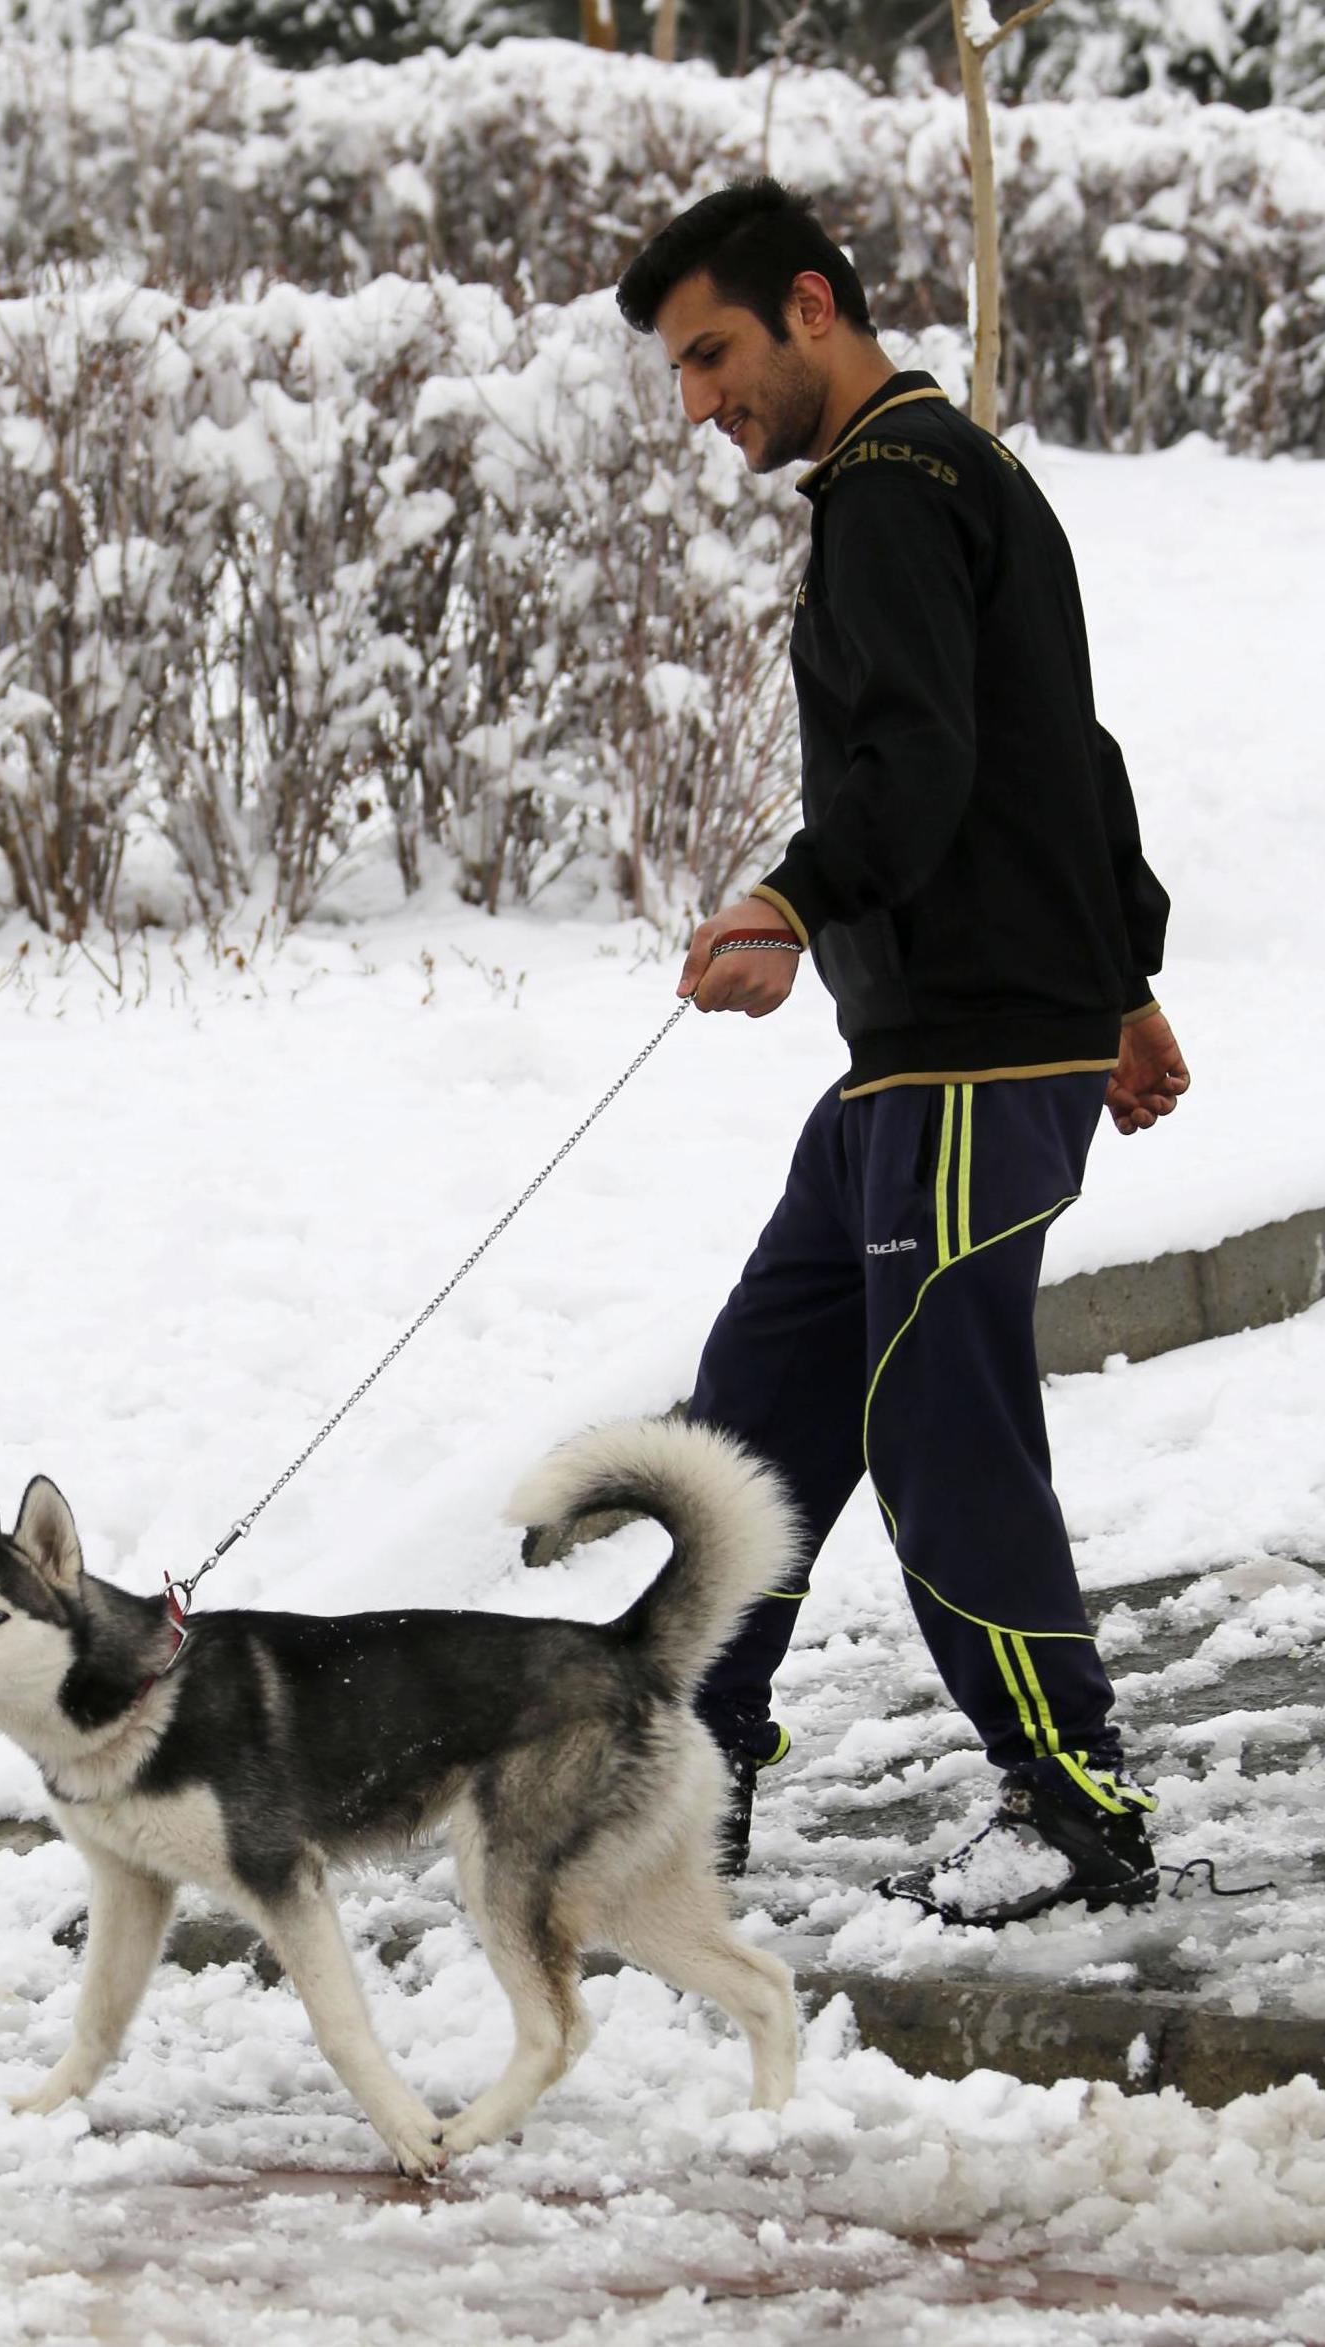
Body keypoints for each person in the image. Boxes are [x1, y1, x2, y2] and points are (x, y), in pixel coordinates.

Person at [614, 178, 1190, 1927]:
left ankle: (1071, 1792)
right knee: (758, 1410)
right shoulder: (958, 477)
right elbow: (1061, 749)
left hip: (957, 1053)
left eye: (713, 356)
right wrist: (1128, 980)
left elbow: (926, 760)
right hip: (921, 1057)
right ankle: (684, 1777)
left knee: (941, 1424)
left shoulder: (892, 494)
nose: (703, 405)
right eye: (680, 377)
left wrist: (794, 895)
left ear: (810, 306)